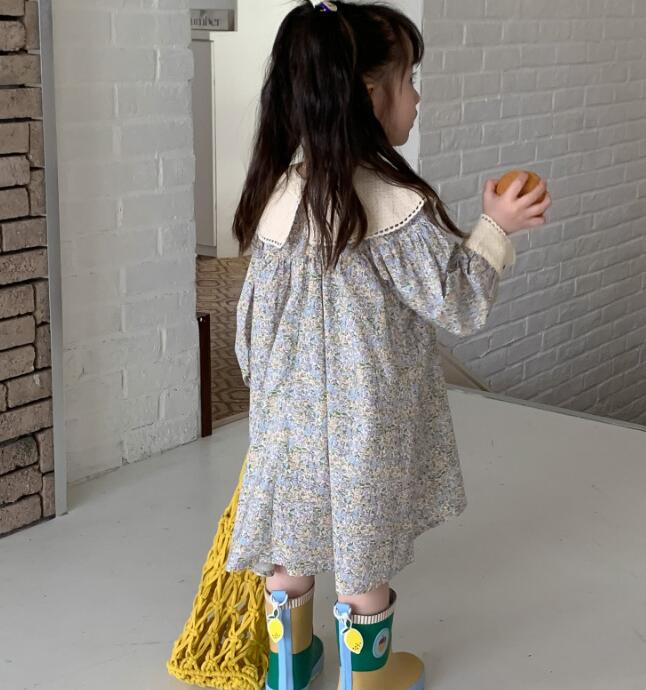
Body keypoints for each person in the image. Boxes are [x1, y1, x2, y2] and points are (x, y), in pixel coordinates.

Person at [224, 2, 551, 689]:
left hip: (287, 421)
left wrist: (272, 396)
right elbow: (457, 300)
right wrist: (496, 227)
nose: (417, 98)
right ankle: (367, 680)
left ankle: (288, 669)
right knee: (362, 558)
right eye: (410, 81)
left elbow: (251, 326)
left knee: (291, 547)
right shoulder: (389, 203)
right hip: (364, 425)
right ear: (371, 95)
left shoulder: (280, 197)